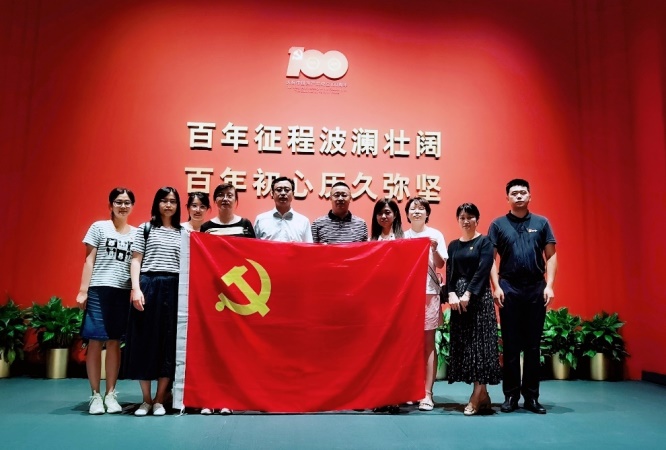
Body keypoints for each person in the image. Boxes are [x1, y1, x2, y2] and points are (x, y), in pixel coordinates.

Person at [489, 179, 557, 415]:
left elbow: (551, 256)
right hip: (509, 288)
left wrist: (549, 286)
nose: (519, 196)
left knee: (532, 346)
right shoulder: (498, 224)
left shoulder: (542, 223)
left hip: (535, 288)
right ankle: (510, 396)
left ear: (530, 196)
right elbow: (491, 259)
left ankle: (531, 397)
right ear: (507, 198)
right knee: (510, 345)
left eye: (523, 192)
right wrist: (496, 287)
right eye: (514, 193)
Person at [76, 187, 136, 415]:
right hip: (98, 290)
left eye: (127, 202)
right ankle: (95, 395)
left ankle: (110, 394)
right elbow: (89, 260)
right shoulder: (99, 227)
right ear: (111, 205)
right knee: (94, 341)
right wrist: (83, 291)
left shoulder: (136, 233)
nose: (123, 206)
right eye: (119, 202)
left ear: (132, 206)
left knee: (114, 342)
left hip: (122, 291)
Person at [124, 187, 182, 417]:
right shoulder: (145, 229)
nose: (168, 205)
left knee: (168, 343)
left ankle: (160, 400)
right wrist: (136, 288)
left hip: (174, 287)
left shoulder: (183, 232)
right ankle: (146, 400)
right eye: (164, 201)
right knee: (145, 341)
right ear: (157, 203)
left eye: (173, 201)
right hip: (148, 285)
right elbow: (136, 261)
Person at [446, 203, 501, 415]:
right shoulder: (453, 245)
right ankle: (483, 394)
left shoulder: (485, 242)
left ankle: (476, 397)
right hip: (458, 303)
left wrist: (468, 293)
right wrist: (451, 293)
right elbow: (450, 272)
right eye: (462, 217)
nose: (466, 221)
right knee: (468, 347)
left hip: (478, 300)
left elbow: (483, 269)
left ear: (477, 219)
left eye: (470, 217)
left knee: (481, 346)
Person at [403, 197, 447, 411]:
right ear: (407, 214)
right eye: (413, 208)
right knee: (409, 344)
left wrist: (435, 249)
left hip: (429, 294)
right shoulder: (402, 236)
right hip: (407, 296)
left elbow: (441, 263)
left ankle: (427, 393)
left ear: (427, 213)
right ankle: (411, 390)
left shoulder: (435, 234)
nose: (417, 211)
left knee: (428, 344)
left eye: (421, 208)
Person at [254, 177, 313, 242]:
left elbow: (308, 246)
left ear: (293, 194)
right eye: (279, 190)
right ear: (272, 194)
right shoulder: (261, 219)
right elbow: (253, 245)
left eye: (287, 190)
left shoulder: (303, 221)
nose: (283, 193)